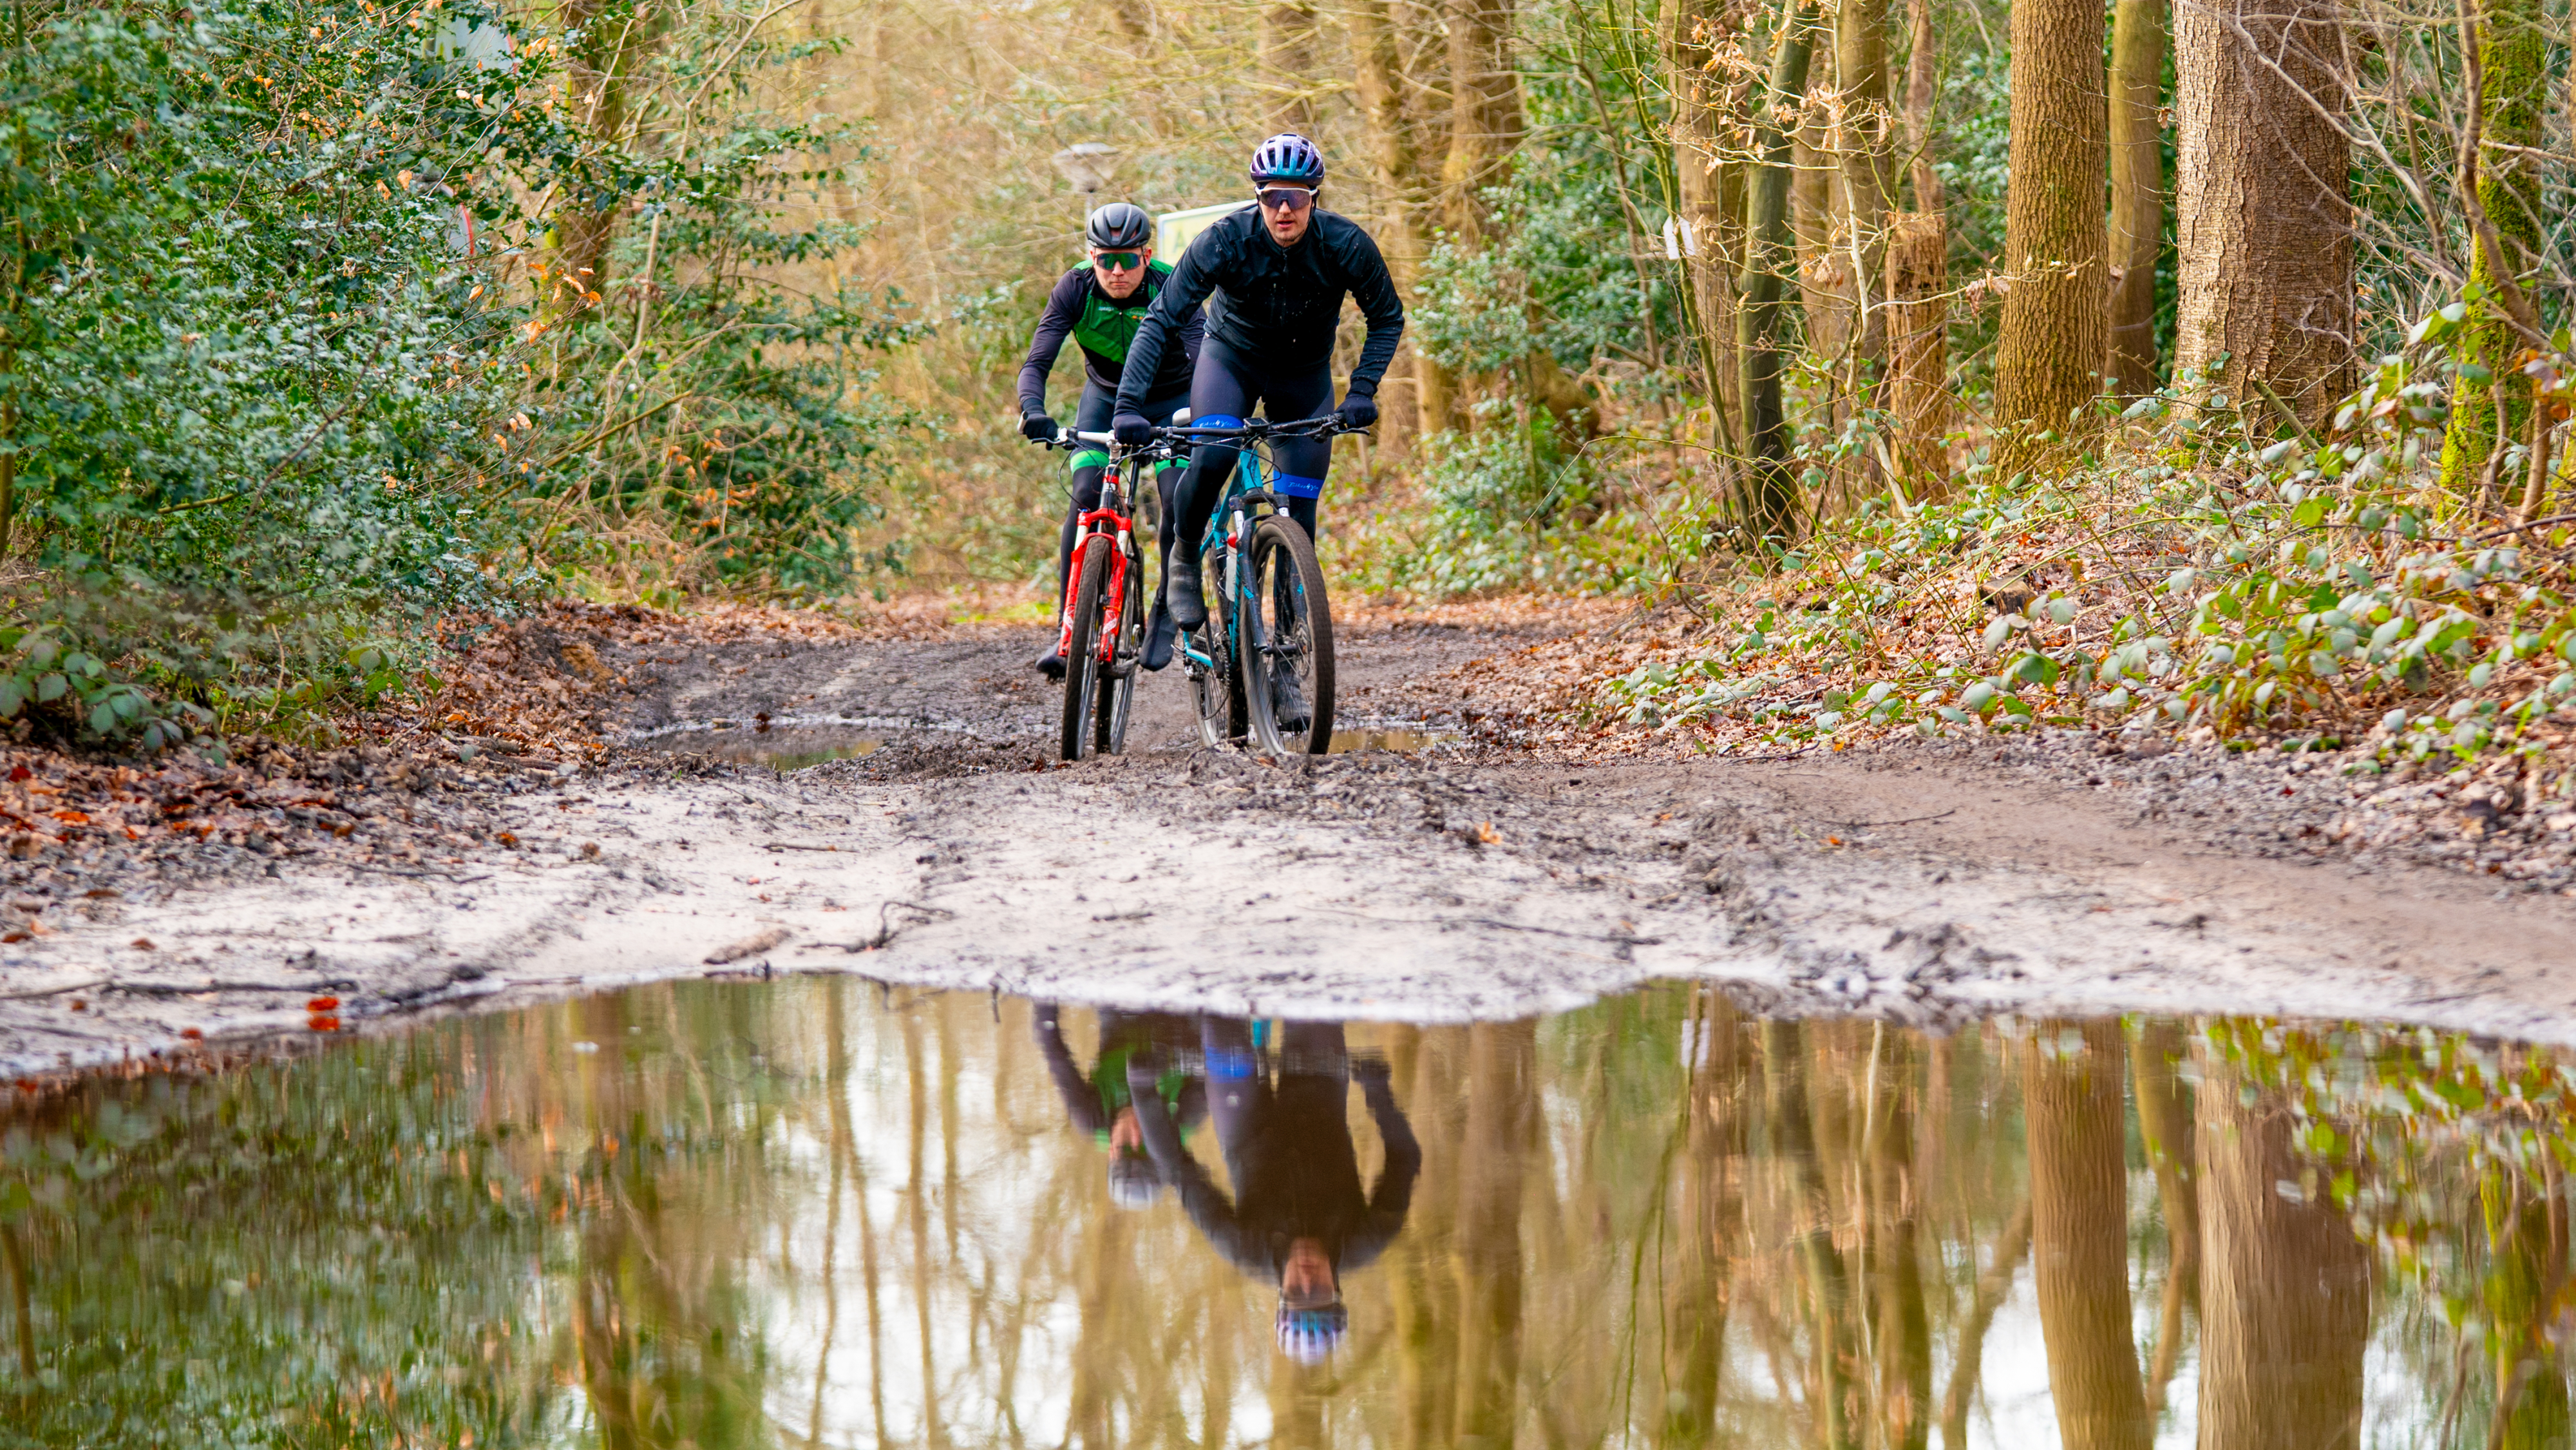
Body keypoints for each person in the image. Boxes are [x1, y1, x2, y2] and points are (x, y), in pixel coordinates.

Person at [1108, 135, 1406, 713]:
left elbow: (1387, 317)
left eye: (1295, 196)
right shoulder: (1224, 240)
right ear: (1258, 198)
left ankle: (1288, 667)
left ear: (1315, 197)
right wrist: (1127, 406)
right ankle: (1185, 553)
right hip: (1231, 362)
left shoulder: (1346, 244)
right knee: (1214, 453)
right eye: (1272, 197)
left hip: (1303, 376)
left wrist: (1362, 391)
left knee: (1301, 516)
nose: (1284, 209)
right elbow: (1162, 320)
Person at [1126, 1017, 1419, 1367]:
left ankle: (1240, 1025)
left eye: (1296, 1291)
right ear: (1337, 1288)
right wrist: (1379, 1094)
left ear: (1282, 1292)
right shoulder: (1366, 1239)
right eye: (1318, 1290)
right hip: (1316, 1101)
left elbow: (1179, 1170)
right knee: (1313, 996)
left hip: (1246, 1126)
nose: (1307, 1278)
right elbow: (1405, 1160)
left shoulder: (1244, 1249)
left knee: (1223, 1026)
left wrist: (1142, 1091)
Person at [1018, 202, 1204, 678]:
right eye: (1106, 259)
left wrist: (1207, 410)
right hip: (1104, 400)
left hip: (1171, 401)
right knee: (1084, 495)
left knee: (1176, 500)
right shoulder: (1075, 288)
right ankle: (1070, 630)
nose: (1116, 271)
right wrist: (1033, 410)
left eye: (1127, 259)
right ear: (1092, 257)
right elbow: (1038, 360)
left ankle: (1165, 607)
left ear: (1147, 256)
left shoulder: (1171, 284)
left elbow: (1203, 351)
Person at [1033, 1004, 1207, 1209]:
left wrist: (1046, 998)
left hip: (1119, 1021)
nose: (1135, 1133)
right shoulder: (1180, 1124)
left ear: (1111, 1151)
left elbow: (1053, 1049)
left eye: (1126, 1145)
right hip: (1176, 1020)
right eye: (1147, 1143)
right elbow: (1212, 1063)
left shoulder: (1092, 1118)